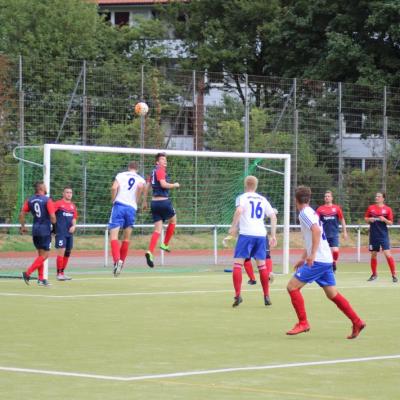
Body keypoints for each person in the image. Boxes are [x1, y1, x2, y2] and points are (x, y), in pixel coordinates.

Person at [286, 185, 365, 339]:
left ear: (296, 200)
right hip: (326, 258)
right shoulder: (312, 212)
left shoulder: (304, 214)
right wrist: (304, 257)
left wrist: (312, 255)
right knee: (332, 294)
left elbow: (316, 231)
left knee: (292, 287)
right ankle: (357, 321)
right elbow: (311, 237)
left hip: (319, 260)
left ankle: (303, 323)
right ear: (308, 198)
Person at [228, 175, 277, 307]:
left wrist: (233, 227)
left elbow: (239, 210)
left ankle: (238, 295)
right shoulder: (262, 199)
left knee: (238, 264)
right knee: (262, 266)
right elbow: (273, 215)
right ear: (256, 186)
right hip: (261, 235)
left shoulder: (242, 197)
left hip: (246, 234)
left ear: (245, 185)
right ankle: (266, 296)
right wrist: (273, 235)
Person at [108, 161, 145, 276]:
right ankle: (121, 264)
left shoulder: (121, 175)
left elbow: (114, 188)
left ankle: (116, 261)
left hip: (119, 206)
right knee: (126, 238)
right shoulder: (140, 179)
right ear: (137, 169)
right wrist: (136, 202)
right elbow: (139, 191)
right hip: (131, 209)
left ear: (128, 168)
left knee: (113, 236)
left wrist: (113, 200)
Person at [144, 152, 180, 268]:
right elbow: (164, 184)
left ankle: (150, 252)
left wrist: (144, 201)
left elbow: (146, 186)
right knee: (173, 220)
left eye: (165, 159)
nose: (165, 161)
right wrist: (174, 185)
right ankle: (165, 244)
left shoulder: (152, 172)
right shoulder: (160, 170)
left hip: (154, 203)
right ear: (157, 162)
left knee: (157, 230)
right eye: (162, 159)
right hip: (163, 202)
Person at [19, 181, 56, 286]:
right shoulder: (47, 200)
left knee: (40, 254)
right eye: (45, 186)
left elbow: (21, 213)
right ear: (41, 188)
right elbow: (53, 216)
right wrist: (55, 229)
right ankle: (27, 273)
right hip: (44, 231)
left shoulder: (30, 200)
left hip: (35, 231)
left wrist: (23, 227)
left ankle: (40, 279)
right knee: (45, 255)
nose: (46, 188)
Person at [365, 192, 398, 283]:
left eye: (379, 196)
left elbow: (391, 223)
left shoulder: (387, 209)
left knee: (387, 254)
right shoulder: (371, 208)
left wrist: (385, 220)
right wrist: (369, 220)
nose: (377, 198)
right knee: (373, 254)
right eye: (376, 196)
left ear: (383, 198)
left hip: (383, 236)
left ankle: (394, 275)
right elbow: (366, 218)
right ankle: (374, 274)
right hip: (373, 235)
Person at [316, 190, 348, 272]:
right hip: (323, 235)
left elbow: (342, 219)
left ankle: (334, 262)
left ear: (332, 198)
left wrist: (345, 232)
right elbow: (315, 221)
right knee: (324, 253)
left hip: (334, 234)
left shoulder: (336, 208)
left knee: (335, 251)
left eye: (328, 196)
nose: (327, 197)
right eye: (325, 196)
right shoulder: (320, 209)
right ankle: (326, 267)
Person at [54, 186, 78, 281]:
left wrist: (74, 226)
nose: (69, 194)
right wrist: (53, 227)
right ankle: (59, 273)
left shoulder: (73, 206)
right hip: (61, 232)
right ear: (63, 194)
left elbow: (74, 218)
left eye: (70, 193)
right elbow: (51, 213)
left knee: (67, 253)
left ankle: (62, 272)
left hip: (69, 234)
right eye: (67, 192)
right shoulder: (58, 204)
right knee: (61, 251)